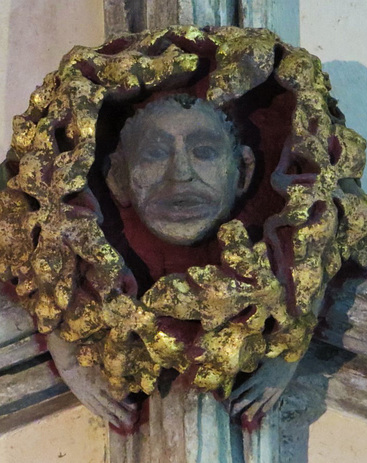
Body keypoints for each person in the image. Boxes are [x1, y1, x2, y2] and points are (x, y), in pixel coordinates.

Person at [48, 95, 299, 430]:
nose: (180, 174)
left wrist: (291, 347)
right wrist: (65, 355)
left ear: (243, 172)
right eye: (154, 153)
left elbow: (305, 279)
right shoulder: (89, 262)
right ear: (117, 178)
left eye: (205, 152)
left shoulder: (283, 258)